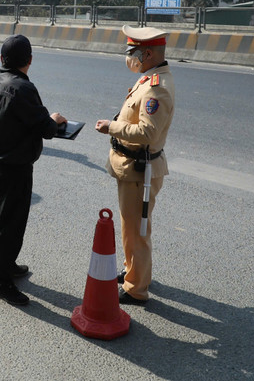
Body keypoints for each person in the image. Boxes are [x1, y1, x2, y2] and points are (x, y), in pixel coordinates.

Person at [0, 34, 67, 305]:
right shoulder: (23, 88)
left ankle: (8, 265)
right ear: (29, 61)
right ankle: (1, 281)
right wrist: (54, 120)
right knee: (11, 225)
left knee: (7, 220)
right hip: (15, 167)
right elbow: (45, 128)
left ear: (1, 59)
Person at [94, 26, 175, 306]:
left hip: (141, 171)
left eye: (134, 53)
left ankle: (136, 289)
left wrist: (111, 127)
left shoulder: (157, 89)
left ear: (149, 53)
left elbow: (148, 133)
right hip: (130, 167)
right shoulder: (148, 79)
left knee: (137, 232)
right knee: (130, 228)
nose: (130, 58)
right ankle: (133, 271)